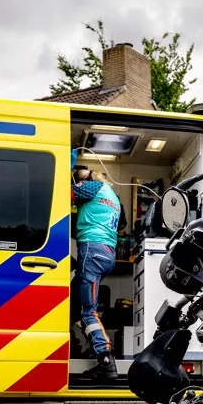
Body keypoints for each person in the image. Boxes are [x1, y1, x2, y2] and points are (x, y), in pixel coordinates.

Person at [72, 160, 123, 380]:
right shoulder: (113, 197)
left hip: (91, 251)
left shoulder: (92, 186)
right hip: (106, 253)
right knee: (74, 302)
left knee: (87, 310)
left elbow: (67, 191)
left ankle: (105, 360)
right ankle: (78, 344)